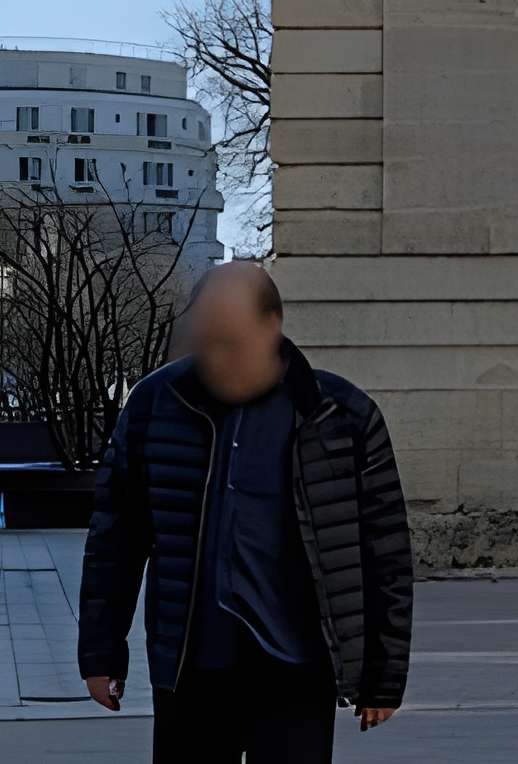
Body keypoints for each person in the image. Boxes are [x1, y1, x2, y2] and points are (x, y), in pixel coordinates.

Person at [78, 261, 413, 756]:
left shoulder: (341, 416)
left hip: (298, 670)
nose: (216, 356)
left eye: (231, 339)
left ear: (271, 326)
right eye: (206, 340)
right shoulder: (154, 405)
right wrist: (101, 652)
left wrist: (384, 677)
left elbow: (385, 552)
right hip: (192, 670)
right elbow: (116, 539)